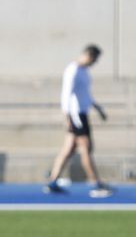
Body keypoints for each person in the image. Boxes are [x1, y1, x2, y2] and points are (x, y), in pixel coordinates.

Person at [45, 44, 112, 198]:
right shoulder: (73, 70)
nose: (94, 63)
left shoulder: (84, 72)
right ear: (89, 55)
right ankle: (96, 184)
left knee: (68, 149)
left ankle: (52, 182)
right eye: (94, 59)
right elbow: (66, 94)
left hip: (82, 113)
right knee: (86, 149)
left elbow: (85, 95)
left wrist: (97, 108)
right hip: (76, 116)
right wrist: (67, 117)